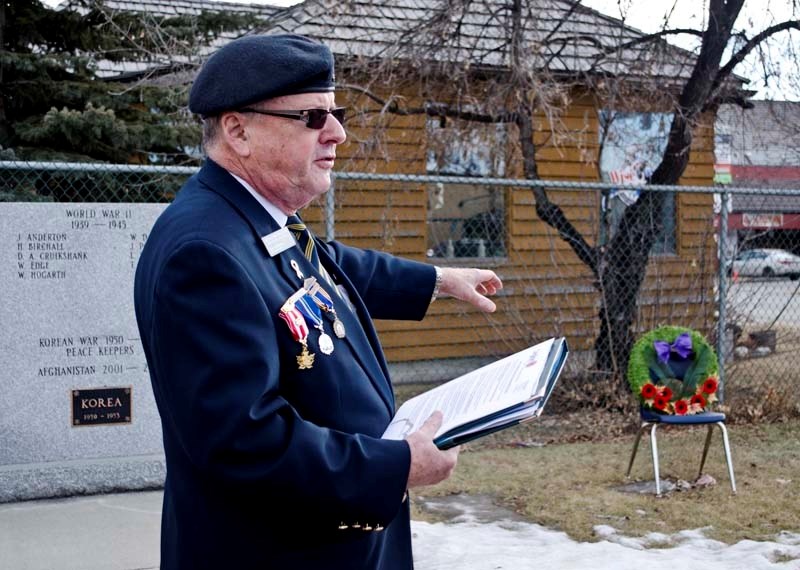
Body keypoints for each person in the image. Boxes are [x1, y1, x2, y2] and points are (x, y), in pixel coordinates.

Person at [134, 33, 502, 570]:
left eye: (336, 113)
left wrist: (438, 280)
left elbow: (321, 266)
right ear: (238, 130)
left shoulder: (250, 215)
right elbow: (244, 441)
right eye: (312, 117)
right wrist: (394, 467)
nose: (337, 133)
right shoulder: (204, 253)